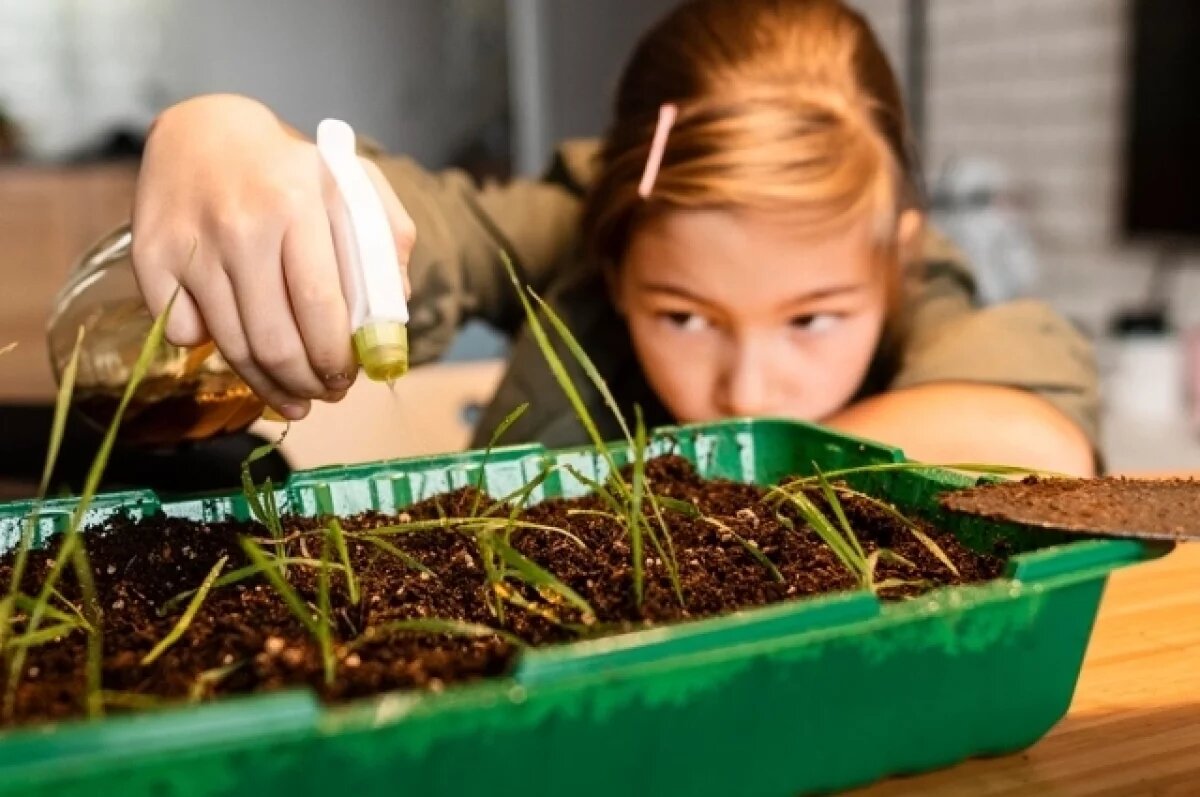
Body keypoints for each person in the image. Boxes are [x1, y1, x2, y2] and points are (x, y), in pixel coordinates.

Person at [123, 0, 1098, 476]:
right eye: (685, 316)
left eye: (811, 319)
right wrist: (222, 135)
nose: (747, 390)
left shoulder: (914, 280)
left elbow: (1032, 438)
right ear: (618, 253)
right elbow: (406, 228)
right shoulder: (574, 225)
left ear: (895, 262)